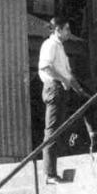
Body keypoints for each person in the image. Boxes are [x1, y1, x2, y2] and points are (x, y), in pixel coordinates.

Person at [37, 15, 87, 177]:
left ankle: (54, 168)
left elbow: (68, 74)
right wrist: (63, 79)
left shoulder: (60, 47)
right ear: (57, 30)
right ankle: (50, 173)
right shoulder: (50, 44)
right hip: (54, 88)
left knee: (58, 130)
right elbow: (46, 67)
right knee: (51, 131)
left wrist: (78, 89)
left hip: (61, 89)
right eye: (66, 29)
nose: (69, 33)